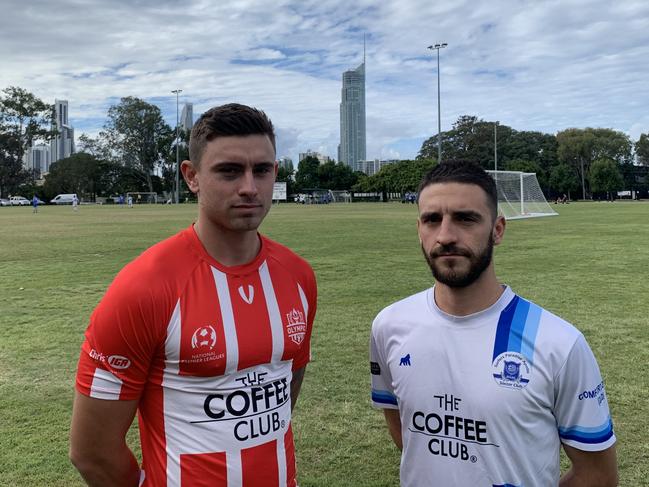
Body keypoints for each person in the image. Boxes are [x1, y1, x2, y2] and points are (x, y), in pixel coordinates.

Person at [70, 103, 318, 486]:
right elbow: (92, 453)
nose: (249, 187)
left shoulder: (298, 276)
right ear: (192, 176)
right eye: (229, 171)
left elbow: (285, 391)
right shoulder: (144, 287)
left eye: (262, 170)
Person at [370, 160, 617, 486]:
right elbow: (404, 430)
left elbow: (598, 475)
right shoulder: (389, 326)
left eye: (465, 218)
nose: (445, 235)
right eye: (432, 220)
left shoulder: (559, 343)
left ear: (497, 229)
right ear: (419, 229)